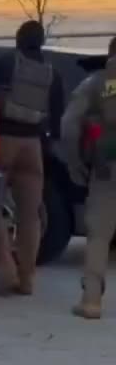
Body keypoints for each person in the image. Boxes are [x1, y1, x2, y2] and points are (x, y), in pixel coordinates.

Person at [0, 20, 65, 296]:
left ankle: (6, 270)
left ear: (17, 39)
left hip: (3, 142)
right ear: (41, 41)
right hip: (33, 146)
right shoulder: (52, 73)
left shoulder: (1, 64)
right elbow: (58, 117)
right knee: (31, 215)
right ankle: (27, 279)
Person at [61, 36, 116, 320]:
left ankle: (91, 301)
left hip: (107, 167)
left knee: (99, 235)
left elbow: (70, 126)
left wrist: (75, 164)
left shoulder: (95, 84)